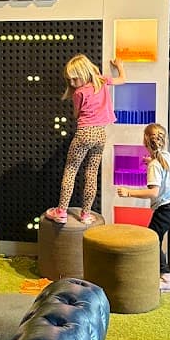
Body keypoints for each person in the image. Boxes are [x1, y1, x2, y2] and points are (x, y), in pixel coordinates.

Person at [45, 54, 127, 226]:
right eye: (70, 80)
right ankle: (86, 214)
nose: (72, 83)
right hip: (100, 135)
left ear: (83, 73)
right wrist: (119, 65)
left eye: (74, 79)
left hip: (84, 133)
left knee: (71, 170)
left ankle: (61, 211)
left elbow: (76, 114)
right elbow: (122, 79)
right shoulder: (101, 81)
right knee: (91, 174)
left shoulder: (79, 93)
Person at [116, 123, 170, 291]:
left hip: (165, 207)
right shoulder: (166, 157)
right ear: (164, 140)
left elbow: (153, 192)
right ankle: (162, 272)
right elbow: (161, 168)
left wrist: (129, 192)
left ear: (145, 142)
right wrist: (151, 161)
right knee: (154, 237)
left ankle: (166, 278)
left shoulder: (155, 165)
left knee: (153, 239)